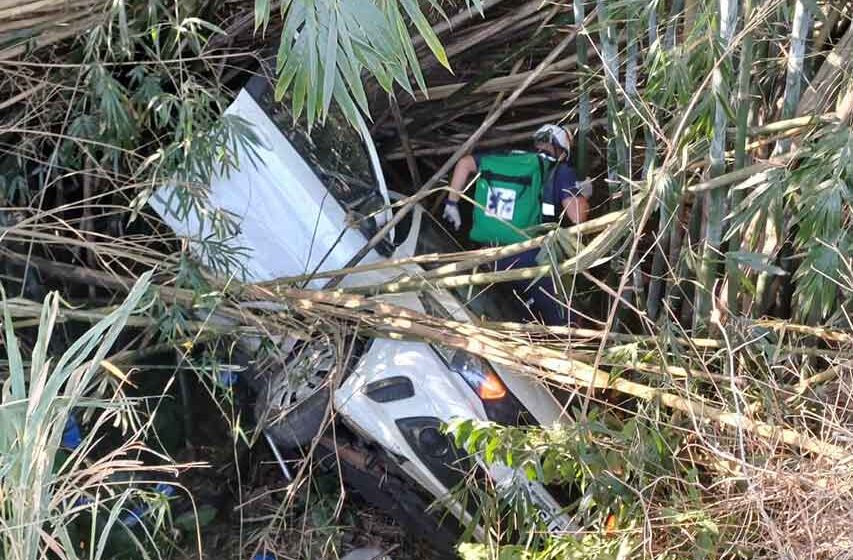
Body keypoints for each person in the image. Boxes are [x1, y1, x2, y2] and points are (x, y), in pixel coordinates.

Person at [441, 124, 590, 325]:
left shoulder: (506, 158)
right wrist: (583, 193)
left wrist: (452, 203)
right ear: (563, 151)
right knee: (565, 316)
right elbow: (578, 217)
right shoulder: (560, 170)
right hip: (529, 257)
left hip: (489, 254)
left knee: (513, 310)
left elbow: (465, 162)